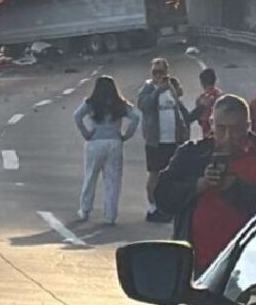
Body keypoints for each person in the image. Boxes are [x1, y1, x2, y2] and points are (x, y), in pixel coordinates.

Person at [155, 94, 256, 273]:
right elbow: (162, 198)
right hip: (195, 267)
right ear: (212, 124)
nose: (228, 137)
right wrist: (199, 185)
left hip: (246, 269)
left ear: (247, 127)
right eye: (221, 129)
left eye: (236, 129)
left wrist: (234, 188)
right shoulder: (191, 155)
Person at [73, 76, 140, 224]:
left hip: (95, 142)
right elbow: (135, 118)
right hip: (114, 141)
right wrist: (126, 135)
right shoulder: (119, 104)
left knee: (90, 176)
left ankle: (85, 210)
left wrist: (85, 133)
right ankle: (111, 214)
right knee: (113, 179)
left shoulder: (91, 103)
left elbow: (77, 116)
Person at [138, 58, 191, 223]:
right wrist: (157, 91)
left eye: (161, 72)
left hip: (173, 139)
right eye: (155, 72)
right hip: (156, 141)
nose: (158, 76)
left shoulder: (172, 88)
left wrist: (183, 133)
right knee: (154, 174)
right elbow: (144, 106)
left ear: (167, 72)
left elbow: (179, 111)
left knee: (172, 175)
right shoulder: (148, 88)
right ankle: (153, 208)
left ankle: (168, 207)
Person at [192, 67, 222, 139]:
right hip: (221, 135)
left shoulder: (200, 99)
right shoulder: (221, 96)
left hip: (207, 136)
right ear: (215, 80)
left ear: (202, 82)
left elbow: (199, 120)